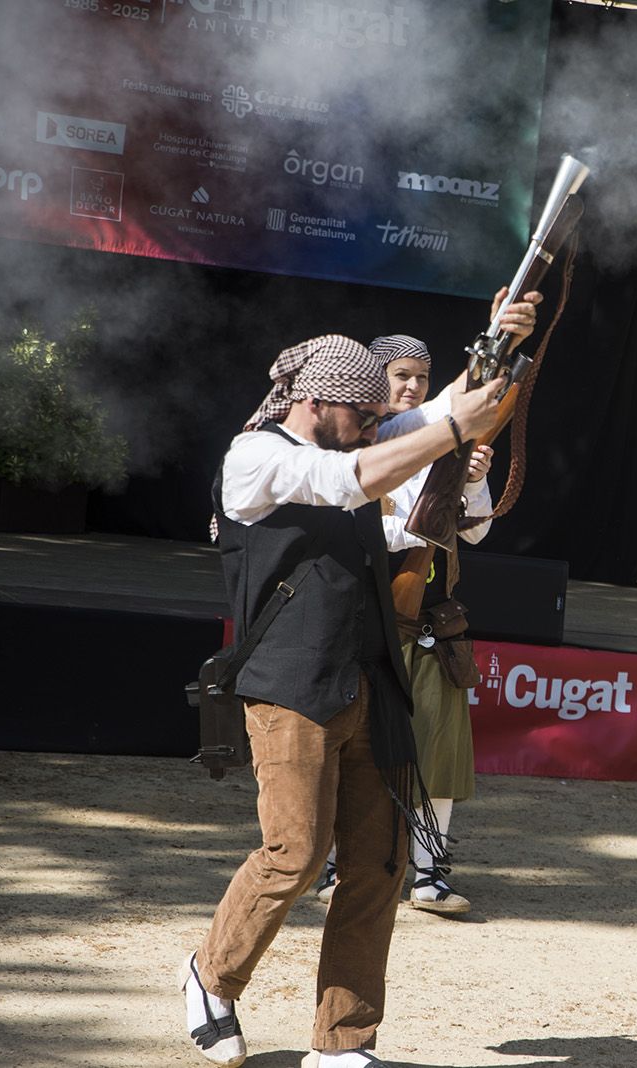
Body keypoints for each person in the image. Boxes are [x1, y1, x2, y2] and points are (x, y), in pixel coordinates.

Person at [180, 334, 509, 1068]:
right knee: (294, 853)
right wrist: (452, 431)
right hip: (291, 683)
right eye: (363, 412)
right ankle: (210, 977)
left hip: (374, 677)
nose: (376, 420)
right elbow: (352, 477)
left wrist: (501, 335)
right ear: (315, 403)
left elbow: (437, 411)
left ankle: (343, 1041)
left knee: (380, 864)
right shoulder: (256, 457)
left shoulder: (353, 430)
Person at [313, 292, 539, 914]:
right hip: (364, 617)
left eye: (421, 377)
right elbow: (357, 528)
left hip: (431, 619)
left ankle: (431, 870)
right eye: (401, 377)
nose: (413, 387)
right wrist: (418, 526)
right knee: (349, 745)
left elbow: (477, 530)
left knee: (437, 747)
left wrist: (469, 481)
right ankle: (333, 861)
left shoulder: (447, 438)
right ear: (375, 385)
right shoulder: (352, 445)